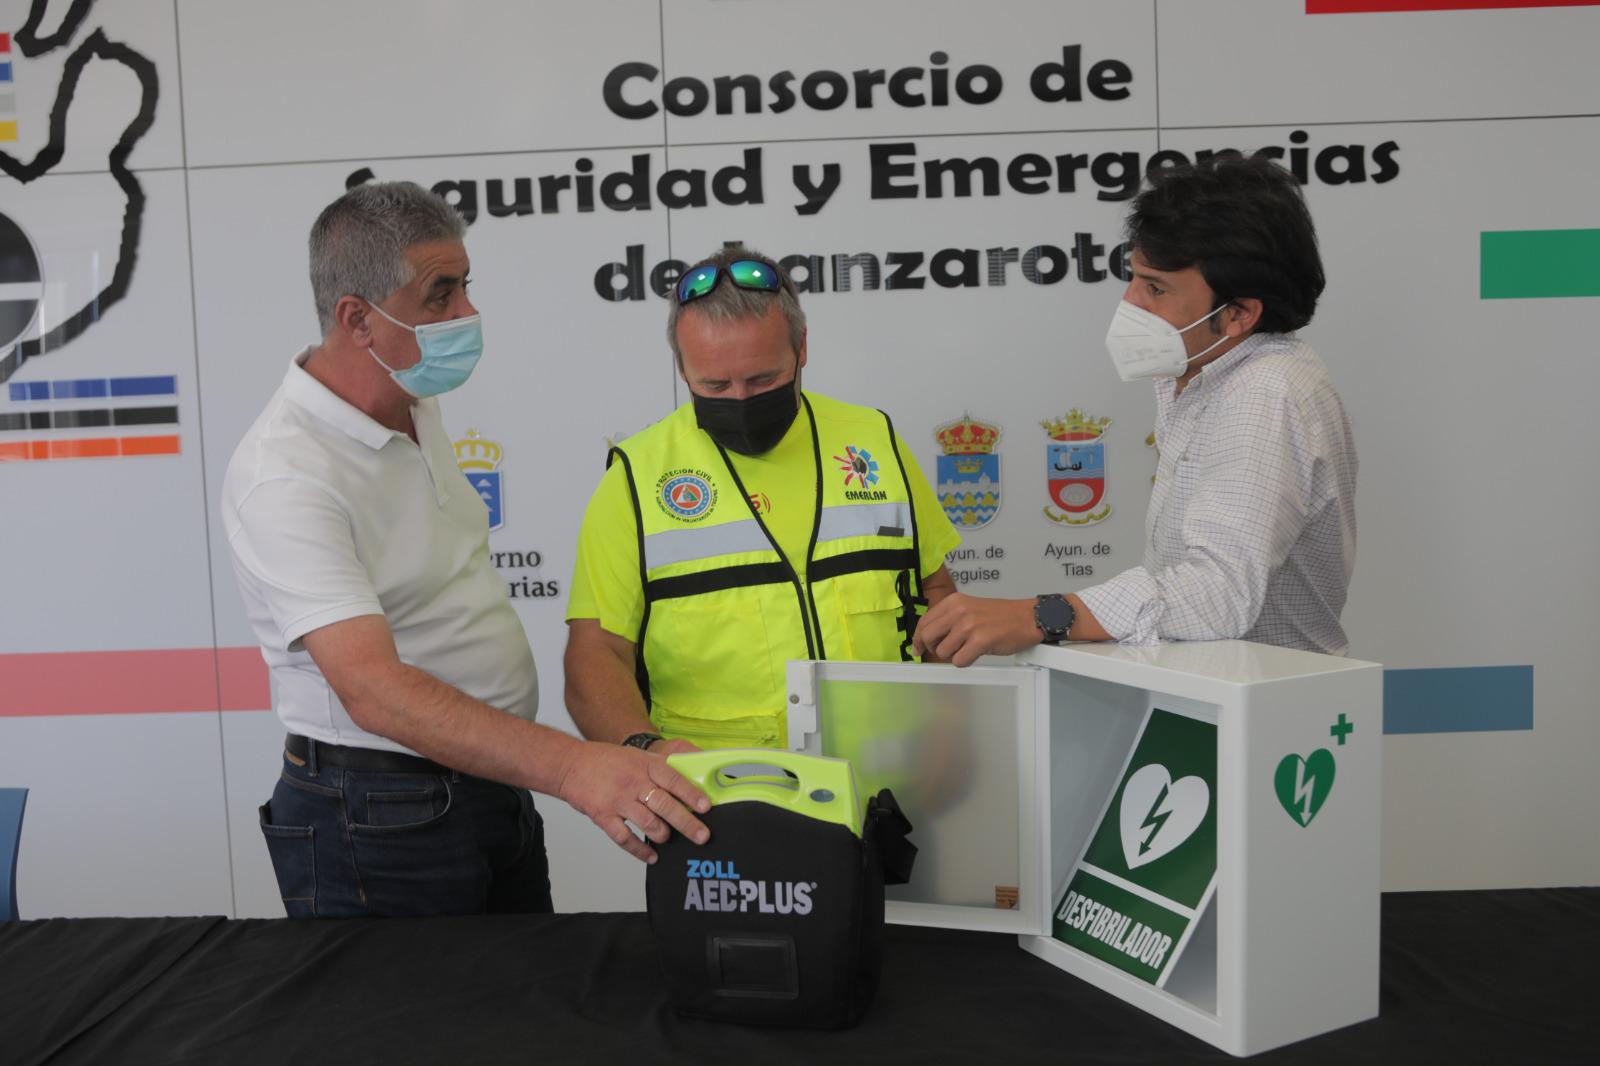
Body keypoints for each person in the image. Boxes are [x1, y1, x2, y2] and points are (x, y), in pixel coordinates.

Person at [221, 181, 708, 919]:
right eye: (440, 295)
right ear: (357, 318)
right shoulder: (284, 475)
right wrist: (577, 767)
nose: (468, 315)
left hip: (488, 783)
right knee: (415, 1032)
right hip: (378, 812)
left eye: (465, 287)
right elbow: (373, 690)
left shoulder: (412, 397)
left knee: (514, 1019)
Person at [915, 154, 1357, 664]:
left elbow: (1220, 594)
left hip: (1267, 715)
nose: (1130, 303)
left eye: (1155, 288)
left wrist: (1040, 615)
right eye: (1134, 279)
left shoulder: (1264, 391)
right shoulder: (1204, 376)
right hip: (1223, 693)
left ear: (1238, 314)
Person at [564, 247, 962, 753]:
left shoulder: (874, 441)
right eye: (714, 384)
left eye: (762, 379)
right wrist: (645, 751)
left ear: (801, 348)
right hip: (722, 797)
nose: (741, 399)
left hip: (891, 772)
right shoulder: (636, 475)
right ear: (682, 368)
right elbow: (596, 654)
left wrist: (951, 721)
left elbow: (937, 594)